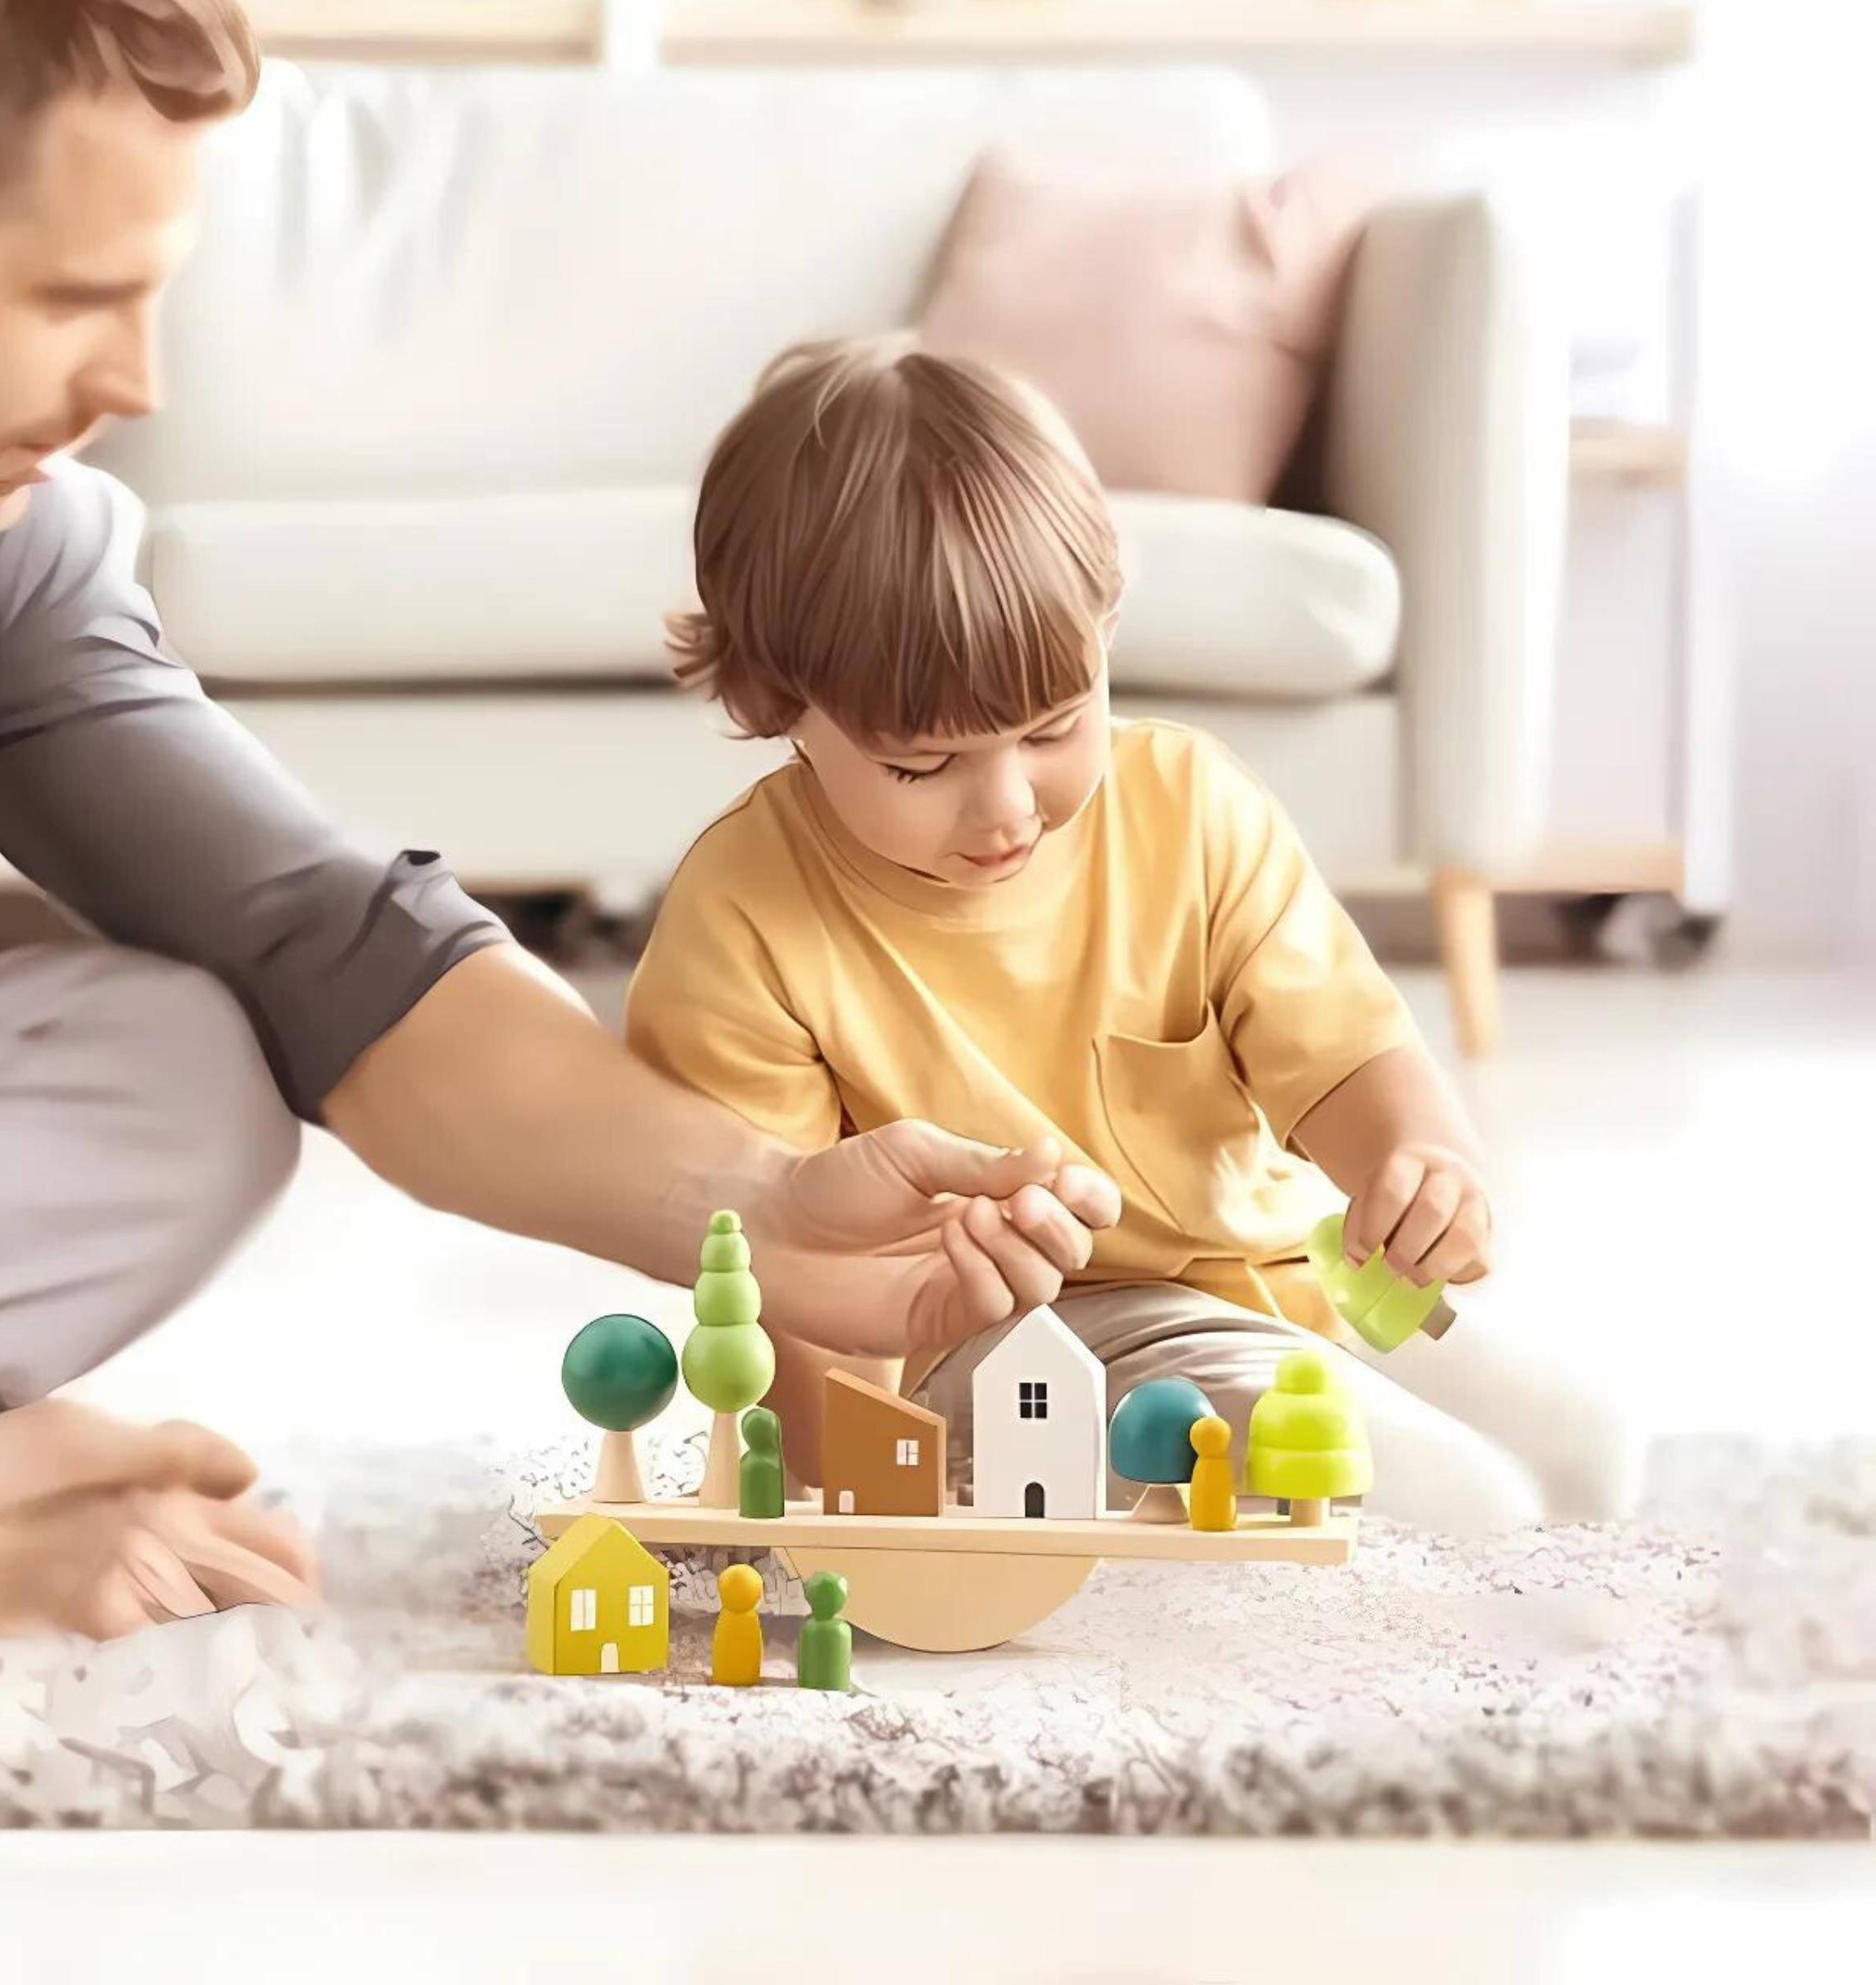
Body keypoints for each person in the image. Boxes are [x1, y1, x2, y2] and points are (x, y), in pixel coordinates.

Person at [0, 0, 1119, 1642]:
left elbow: (324, 940)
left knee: (183, 1059)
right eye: (79, 298)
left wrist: (762, 1208)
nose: (139, 380)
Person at [626, 335, 1638, 1529]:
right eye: (921, 763)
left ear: (1108, 629)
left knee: (1585, 1455)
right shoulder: (742, 922)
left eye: (1054, 728)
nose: (1007, 809)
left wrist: (1419, 1166)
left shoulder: (1192, 805)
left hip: (1282, 1278)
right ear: (773, 705)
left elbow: (1350, 1058)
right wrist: (866, 1471)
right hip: (1000, 1348)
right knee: (1453, 1501)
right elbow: (794, 1335)